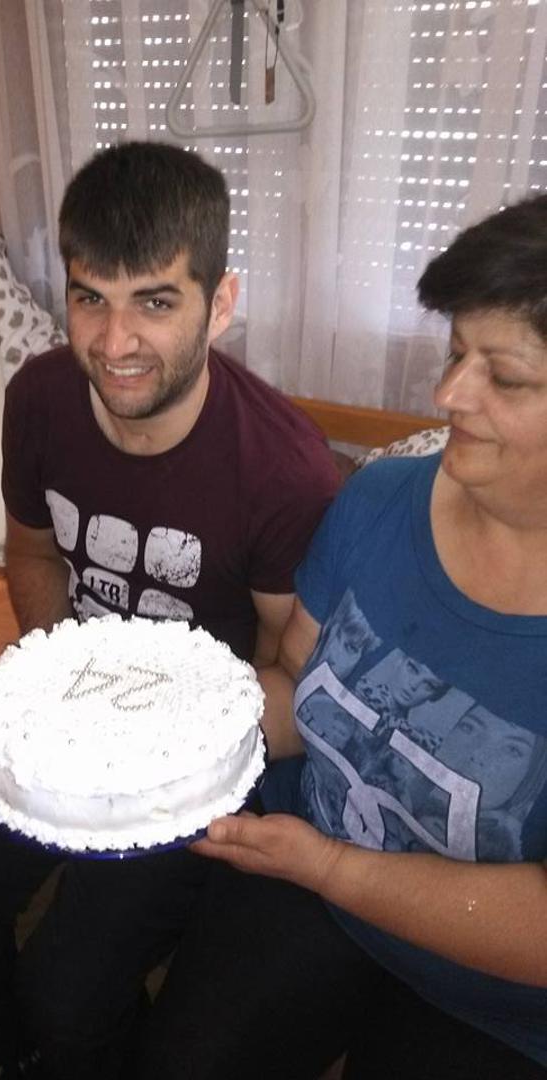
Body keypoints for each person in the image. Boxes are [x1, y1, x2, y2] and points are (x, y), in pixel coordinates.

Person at [0, 141, 341, 1080]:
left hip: (191, 764)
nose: (114, 341)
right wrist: (62, 691)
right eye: (91, 297)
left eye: (156, 302)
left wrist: (148, 763)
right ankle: (15, 1058)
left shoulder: (284, 473)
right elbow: (32, 550)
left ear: (222, 303)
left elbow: (290, 686)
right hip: (68, 712)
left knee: (72, 990)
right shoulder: (40, 399)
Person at [137, 193, 547, 1079]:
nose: (447, 395)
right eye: (455, 353)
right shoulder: (380, 500)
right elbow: (295, 684)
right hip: (308, 876)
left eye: (505, 377)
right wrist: (165, 722)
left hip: (497, 1001)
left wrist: (330, 867)